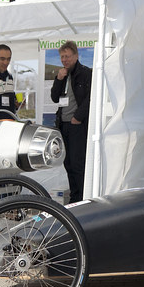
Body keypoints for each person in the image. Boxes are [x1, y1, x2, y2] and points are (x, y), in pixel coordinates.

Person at [49, 41, 92, 203]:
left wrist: (78, 117)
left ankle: (82, 198)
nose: (64, 60)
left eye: (67, 56)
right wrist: (59, 79)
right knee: (67, 163)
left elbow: (90, 99)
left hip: (77, 125)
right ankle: (74, 197)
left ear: (76, 56)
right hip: (63, 125)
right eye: (62, 57)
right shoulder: (62, 74)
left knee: (77, 164)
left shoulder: (85, 73)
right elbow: (54, 98)